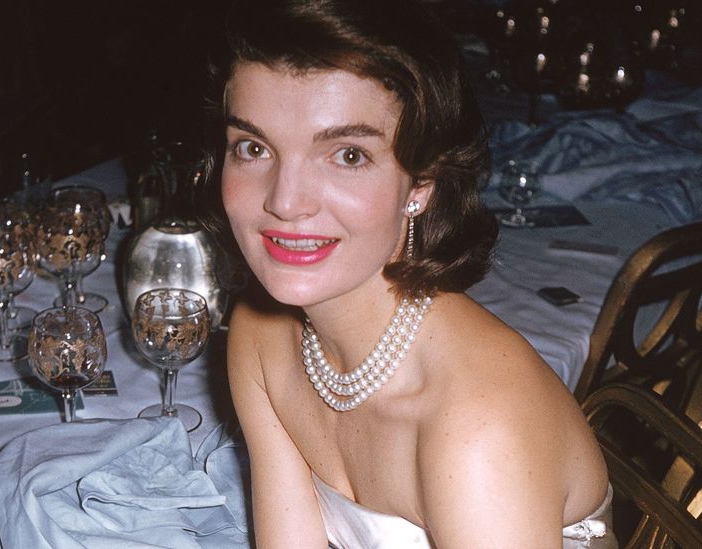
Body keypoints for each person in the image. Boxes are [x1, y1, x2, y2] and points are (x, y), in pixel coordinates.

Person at [201, 0, 614, 547]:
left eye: (347, 155)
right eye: (253, 148)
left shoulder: (476, 427)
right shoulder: (261, 333)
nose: (285, 201)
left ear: (421, 183)